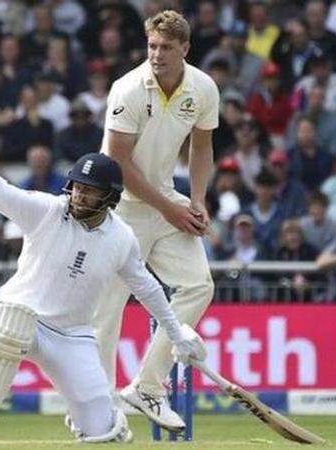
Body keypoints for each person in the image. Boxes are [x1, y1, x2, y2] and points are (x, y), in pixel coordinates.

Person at [0, 112, 204, 444]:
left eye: (90, 190)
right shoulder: (46, 210)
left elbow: (147, 288)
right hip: (24, 317)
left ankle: (108, 419)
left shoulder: (121, 238)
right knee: (11, 317)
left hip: (72, 334)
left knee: (99, 431)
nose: (79, 194)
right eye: (78, 185)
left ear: (109, 197)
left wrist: (177, 334)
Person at [91, 10, 220, 432]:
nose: (157, 55)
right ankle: (96, 411)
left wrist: (197, 201)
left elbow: (202, 149)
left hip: (165, 199)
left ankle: (147, 386)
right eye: (152, 46)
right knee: (107, 310)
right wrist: (172, 209)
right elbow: (117, 162)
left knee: (200, 284)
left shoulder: (202, 87)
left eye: (166, 47)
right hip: (117, 207)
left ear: (185, 48)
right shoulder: (128, 88)